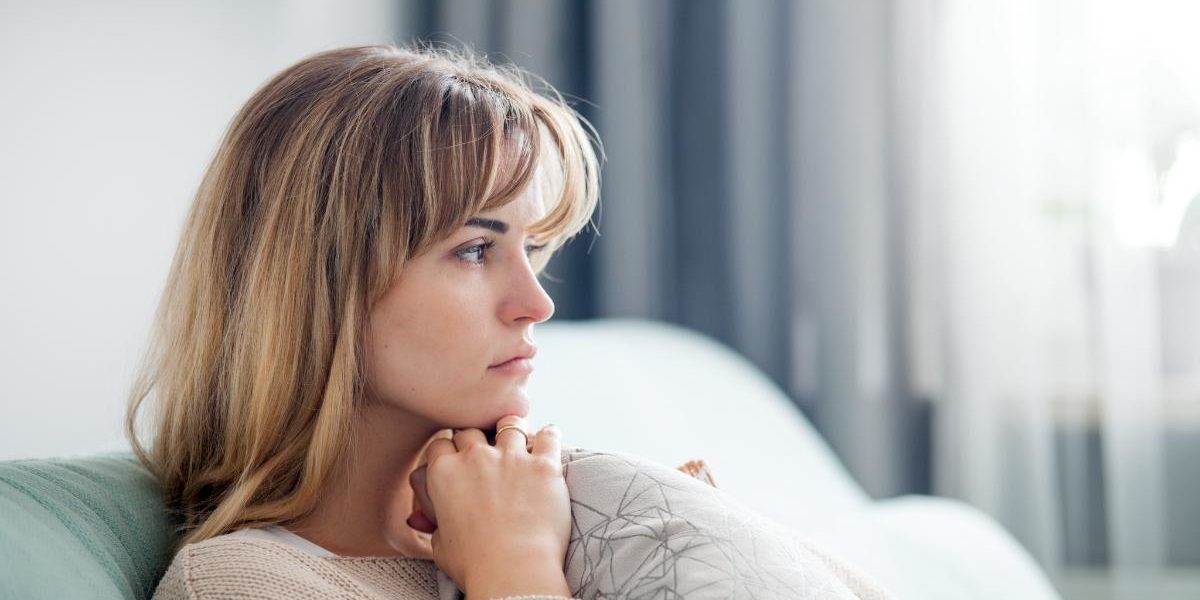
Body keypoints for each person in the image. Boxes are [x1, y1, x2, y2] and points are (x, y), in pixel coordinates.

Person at [125, 43, 600, 599]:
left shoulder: (564, 523)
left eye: (533, 246)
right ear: (320, 280)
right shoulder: (243, 583)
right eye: (474, 250)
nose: (538, 304)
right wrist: (517, 565)